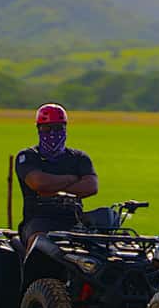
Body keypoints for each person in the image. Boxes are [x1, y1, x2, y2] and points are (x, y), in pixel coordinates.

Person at [15, 103, 98, 250]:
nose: (53, 133)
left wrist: (52, 188)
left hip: (74, 222)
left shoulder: (79, 157)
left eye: (58, 128)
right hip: (38, 221)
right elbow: (39, 183)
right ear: (38, 129)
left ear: (65, 129)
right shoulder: (27, 156)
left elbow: (91, 186)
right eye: (47, 129)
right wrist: (72, 179)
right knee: (39, 244)